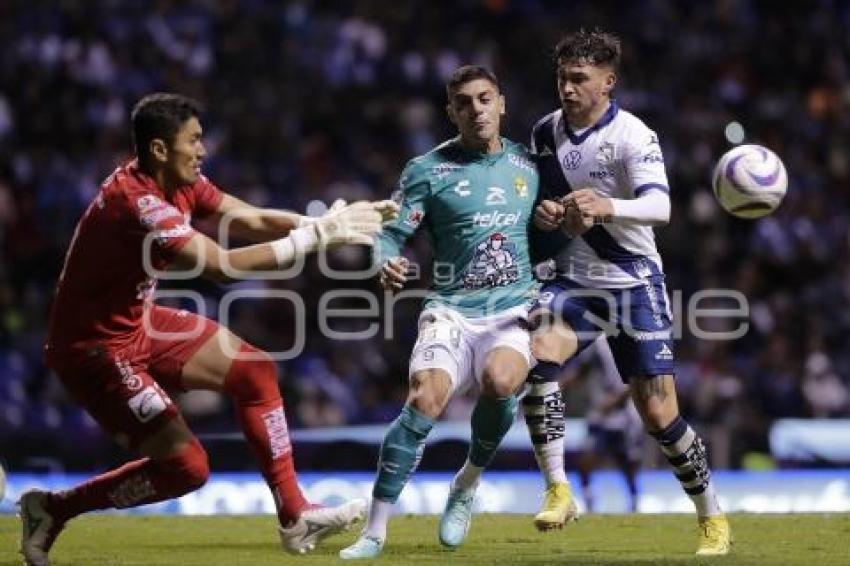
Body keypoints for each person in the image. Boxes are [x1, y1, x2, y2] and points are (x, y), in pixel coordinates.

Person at [18, 92, 398, 565]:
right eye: (193, 141)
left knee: (254, 370)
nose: (203, 150)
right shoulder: (138, 204)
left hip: (136, 321)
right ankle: (53, 508)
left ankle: (295, 514)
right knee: (187, 469)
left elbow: (252, 220)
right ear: (159, 149)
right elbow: (221, 266)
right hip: (94, 349)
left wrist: (323, 222)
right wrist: (316, 237)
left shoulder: (178, 184)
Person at [522, 30, 732, 555]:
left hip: (634, 280)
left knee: (658, 414)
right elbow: (541, 203)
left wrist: (608, 205)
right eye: (562, 78)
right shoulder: (543, 132)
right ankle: (559, 488)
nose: (567, 89)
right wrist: (546, 211)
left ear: (608, 83)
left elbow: (660, 208)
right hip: (576, 281)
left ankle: (711, 515)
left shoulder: (634, 136)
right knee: (537, 354)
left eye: (579, 80)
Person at [339, 65, 539, 559]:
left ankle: (466, 484)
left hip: (513, 307)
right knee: (425, 397)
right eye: (464, 102)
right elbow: (389, 232)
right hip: (450, 308)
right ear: (451, 112)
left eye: (485, 98)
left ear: (502, 102)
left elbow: (554, 227)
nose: (477, 109)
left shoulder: (531, 165)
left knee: (501, 381)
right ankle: (375, 531)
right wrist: (385, 263)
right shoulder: (426, 170)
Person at [569, 338, 643, 513]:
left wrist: (616, 400)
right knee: (586, 458)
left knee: (626, 462)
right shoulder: (597, 342)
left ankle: (634, 501)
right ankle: (589, 501)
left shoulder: (631, 340)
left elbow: (638, 377)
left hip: (624, 415)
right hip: (599, 415)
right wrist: (556, 385)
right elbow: (582, 369)